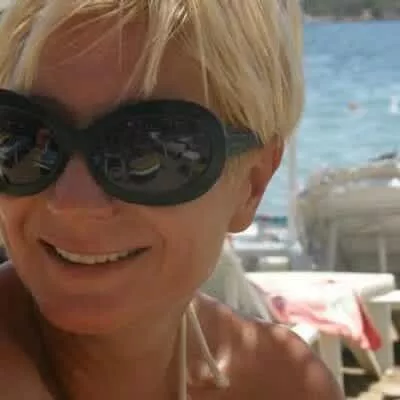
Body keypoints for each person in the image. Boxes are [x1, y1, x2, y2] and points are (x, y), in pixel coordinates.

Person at [0, 1, 344, 399]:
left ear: (252, 185)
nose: (72, 202)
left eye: (148, 152)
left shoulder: (284, 385)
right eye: (28, 138)